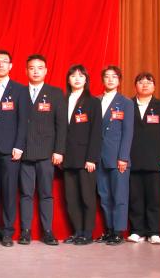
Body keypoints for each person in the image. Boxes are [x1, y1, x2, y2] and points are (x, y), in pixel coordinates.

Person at [18, 54, 66, 246]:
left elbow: (61, 125)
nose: (36, 71)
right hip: (25, 153)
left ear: (46, 71)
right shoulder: (20, 92)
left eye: (40, 68)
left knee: (46, 194)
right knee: (26, 194)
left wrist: (59, 150)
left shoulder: (55, 93)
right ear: (26, 71)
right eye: (32, 68)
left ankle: (47, 231)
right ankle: (25, 231)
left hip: (47, 153)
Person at [0, 49, 27, 247]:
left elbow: (23, 121)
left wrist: (19, 145)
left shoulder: (20, 90)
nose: (1, 64)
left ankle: (8, 232)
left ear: (11, 66)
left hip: (11, 149)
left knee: (9, 192)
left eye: (4, 61)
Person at [126, 72, 160, 244]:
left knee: (154, 198)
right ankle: (137, 231)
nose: (144, 85)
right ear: (135, 85)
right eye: (141, 82)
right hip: (133, 160)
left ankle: (154, 231)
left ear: (154, 86)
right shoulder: (128, 105)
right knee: (135, 198)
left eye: (149, 82)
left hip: (155, 161)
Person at [61, 65, 102, 246]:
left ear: (86, 80)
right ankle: (77, 231)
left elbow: (96, 132)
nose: (77, 79)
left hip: (86, 158)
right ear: (68, 79)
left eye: (81, 76)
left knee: (87, 197)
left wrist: (91, 158)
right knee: (71, 198)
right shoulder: (62, 100)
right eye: (73, 76)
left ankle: (87, 233)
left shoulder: (93, 102)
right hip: (67, 157)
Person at [97, 65, 135, 245]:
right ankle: (109, 230)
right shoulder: (95, 101)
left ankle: (118, 232)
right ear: (102, 80)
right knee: (104, 196)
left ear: (119, 80)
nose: (110, 79)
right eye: (107, 76)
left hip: (118, 157)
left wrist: (123, 157)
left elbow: (128, 132)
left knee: (119, 196)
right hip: (99, 157)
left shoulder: (126, 102)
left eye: (114, 76)